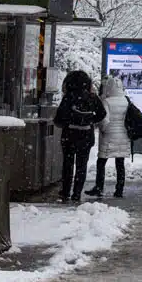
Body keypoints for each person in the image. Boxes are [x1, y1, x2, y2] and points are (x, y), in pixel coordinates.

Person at [53, 70, 106, 203]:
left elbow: (58, 119)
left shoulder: (68, 97)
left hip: (69, 135)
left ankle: (65, 192)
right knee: (82, 165)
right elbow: (102, 114)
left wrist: (69, 121)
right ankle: (77, 193)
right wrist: (90, 120)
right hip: (86, 135)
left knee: (68, 164)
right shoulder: (92, 97)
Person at [86, 75, 131, 198]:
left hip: (109, 136)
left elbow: (104, 121)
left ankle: (99, 187)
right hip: (123, 136)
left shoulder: (107, 101)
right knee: (120, 163)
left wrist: (102, 130)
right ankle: (119, 190)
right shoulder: (126, 101)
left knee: (101, 162)